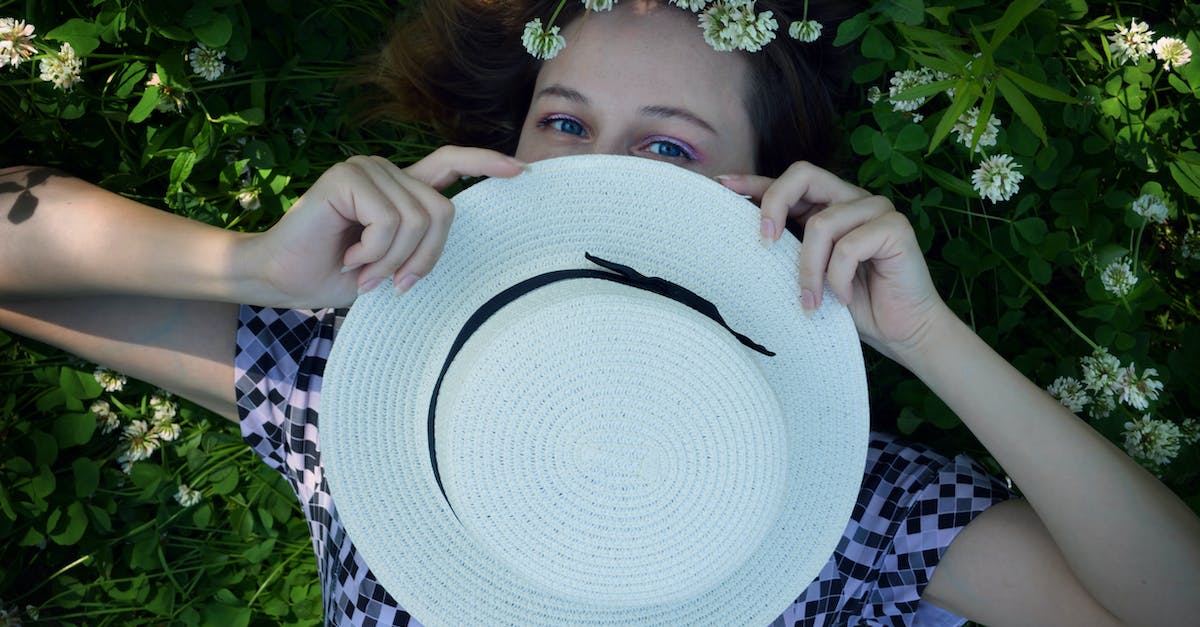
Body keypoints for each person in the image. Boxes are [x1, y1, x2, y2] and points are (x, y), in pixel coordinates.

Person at [2, 0, 1198, 625]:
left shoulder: (833, 502)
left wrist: (930, 338)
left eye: (668, 147)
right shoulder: (376, 402)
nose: (596, 170)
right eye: (564, 122)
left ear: (764, 194)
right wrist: (253, 271)